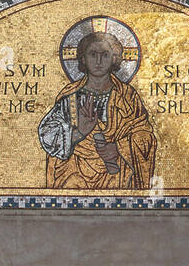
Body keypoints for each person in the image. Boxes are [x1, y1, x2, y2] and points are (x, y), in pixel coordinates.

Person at [37, 31, 156, 190]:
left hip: (118, 175)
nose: (99, 61)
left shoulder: (127, 97)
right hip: (74, 173)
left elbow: (145, 135)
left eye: (105, 55)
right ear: (83, 59)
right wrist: (79, 133)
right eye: (93, 54)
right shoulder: (70, 96)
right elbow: (48, 135)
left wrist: (120, 148)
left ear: (114, 58)